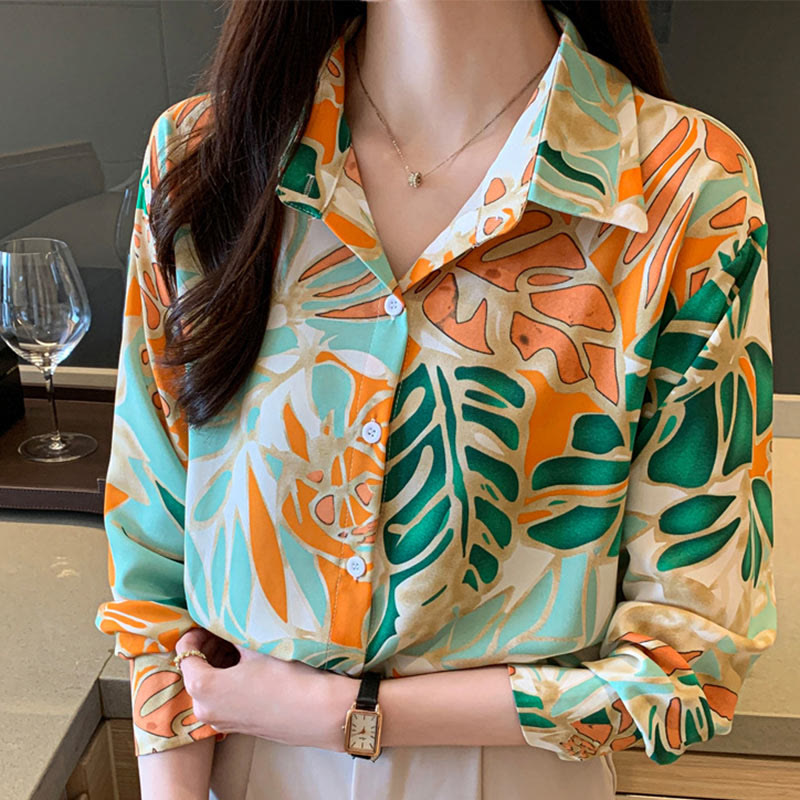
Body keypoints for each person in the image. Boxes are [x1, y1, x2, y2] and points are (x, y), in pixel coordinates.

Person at [95, 0, 777, 797]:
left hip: (517, 775)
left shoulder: (686, 186)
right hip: (241, 764)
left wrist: (348, 714)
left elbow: (688, 665)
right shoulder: (203, 155)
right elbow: (153, 574)